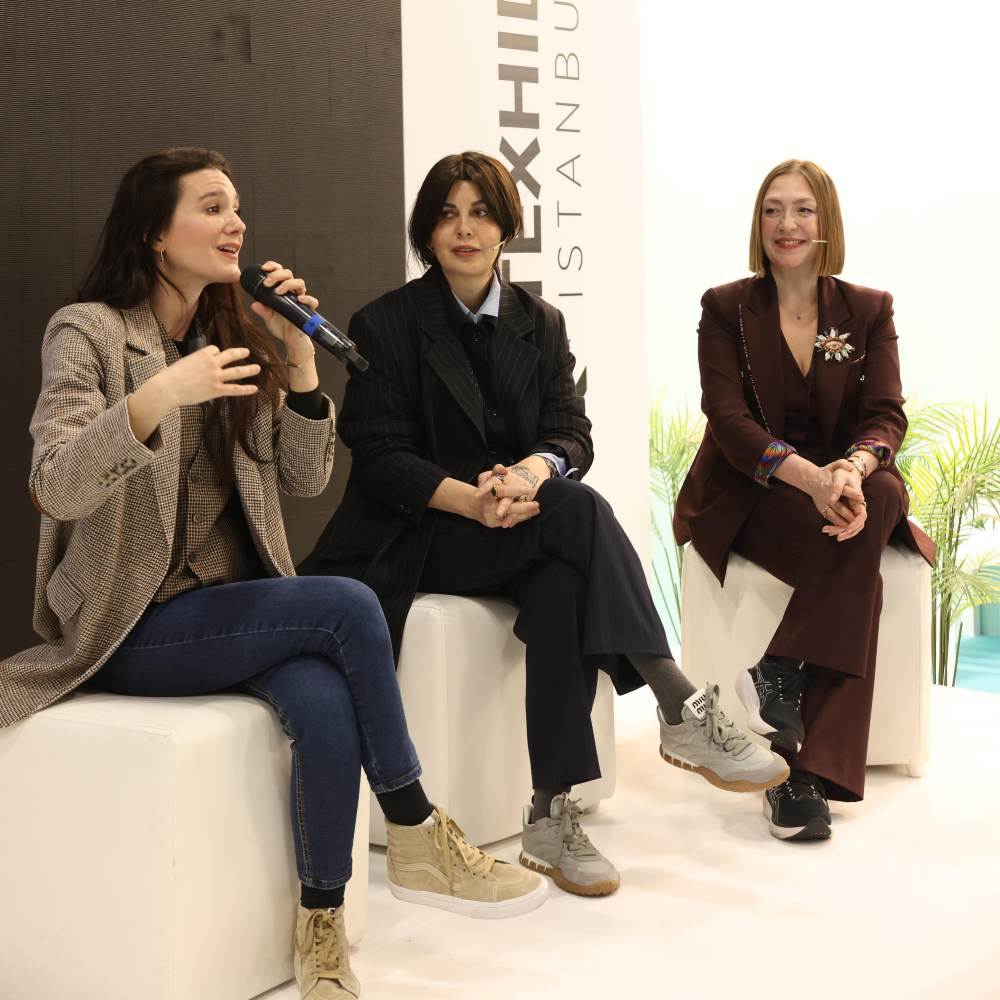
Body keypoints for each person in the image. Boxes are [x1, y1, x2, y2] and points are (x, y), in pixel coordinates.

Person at [0, 147, 546, 1000]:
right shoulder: (90, 331)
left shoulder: (236, 332)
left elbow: (302, 479)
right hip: (128, 623)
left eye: (239, 207)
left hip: (224, 611)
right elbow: (55, 484)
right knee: (346, 605)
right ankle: (412, 824)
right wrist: (156, 398)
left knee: (324, 703)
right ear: (154, 234)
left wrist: (297, 360)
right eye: (213, 208)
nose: (238, 224)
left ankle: (321, 934)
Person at [299, 151, 788, 897]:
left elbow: (571, 432)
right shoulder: (387, 323)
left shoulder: (539, 321)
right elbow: (381, 458)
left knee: (562, 578)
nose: (464, 229)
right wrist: (474, 498)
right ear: (426, 229)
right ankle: (676, 701)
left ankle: (550, 813)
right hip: (421, 537)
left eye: (481, 213)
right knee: (579, 512)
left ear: (507, 228)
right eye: (448, 213)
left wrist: (529, 472)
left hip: (524, 523)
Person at [674, 159, 935, 842]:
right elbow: (728, 423)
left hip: (843, 488)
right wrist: (810, 480)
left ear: (827, 223)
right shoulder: (724, 307)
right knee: (860, 580)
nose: (786, 225)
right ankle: (800, 765)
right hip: (750, 491)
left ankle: (785, 721)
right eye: (772, 210)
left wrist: (848, 467)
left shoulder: (869, 309)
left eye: (802, 210)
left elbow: (886, 415)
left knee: (878, 491)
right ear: (757, 224)